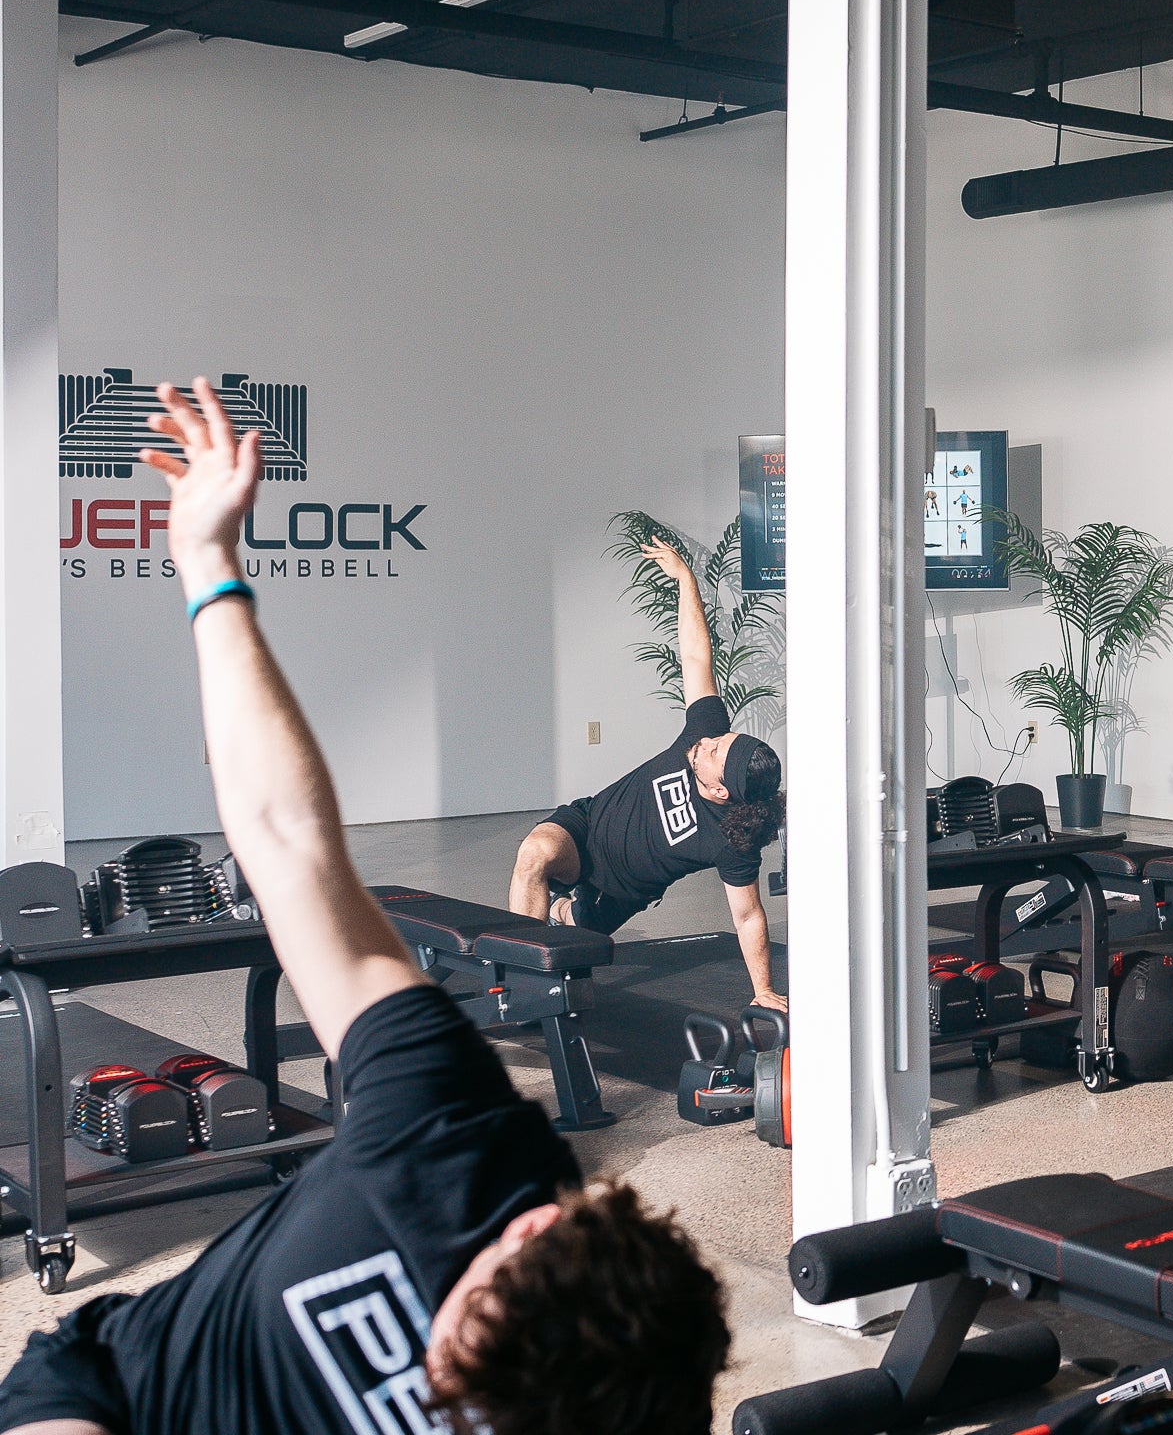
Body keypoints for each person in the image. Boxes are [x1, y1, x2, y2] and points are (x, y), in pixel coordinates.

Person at [0, 380, 729, 1435]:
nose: (438, 1381)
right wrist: (208, 565)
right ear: (533, 1233)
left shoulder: (589, 1409)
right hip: (113, 1399)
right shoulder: (454, 1136)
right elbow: (291, 845)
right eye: (459, 1336)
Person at [507, 537, 787, 1011]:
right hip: (587, 829)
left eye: (715, 751)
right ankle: (521, 983)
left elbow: (748, 917)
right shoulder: (704, 731)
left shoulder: (732, 843)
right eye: (720, 739)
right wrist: (686, 580)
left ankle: (561, 917)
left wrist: (762, 990)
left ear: (721, 791)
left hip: (618, 894)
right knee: (535, 855)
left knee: (576, 954)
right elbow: (697, 657)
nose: (707, 742)